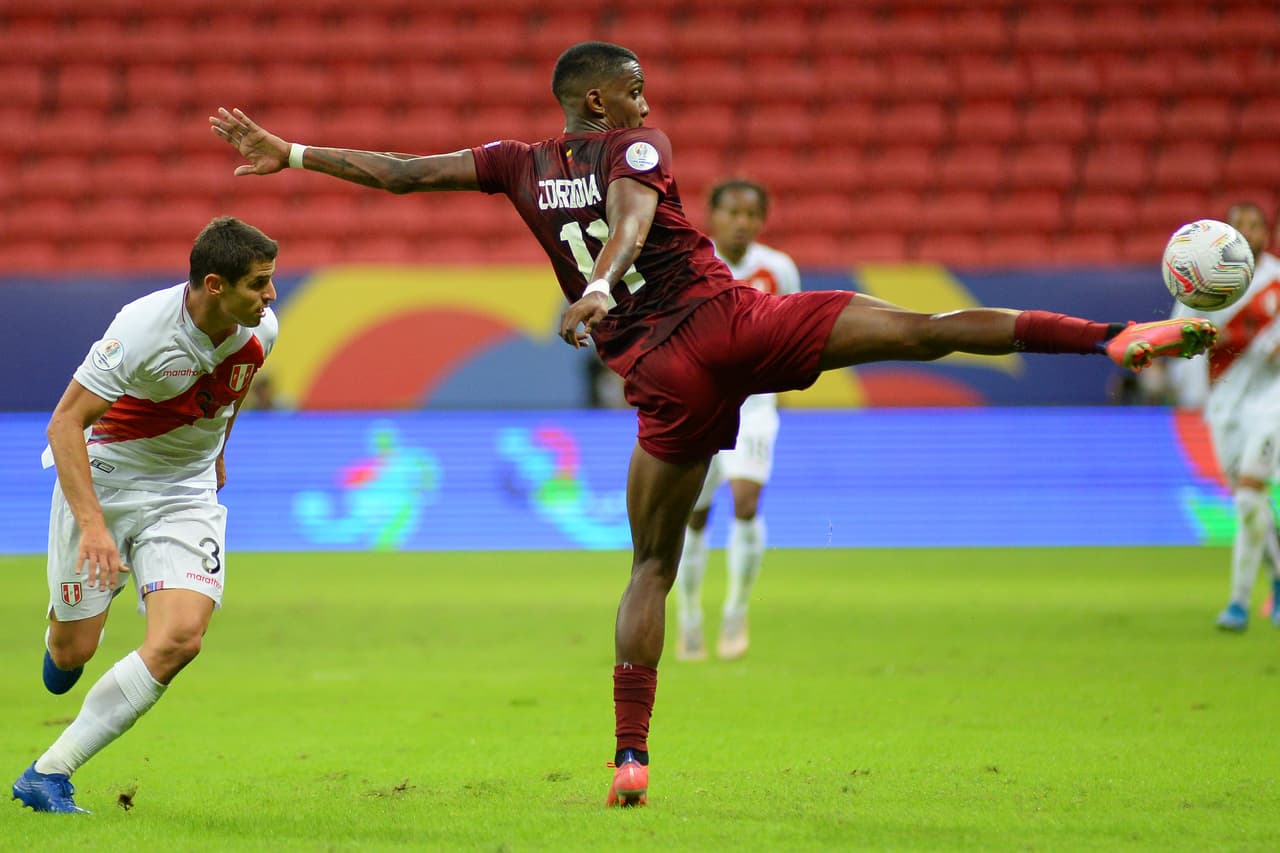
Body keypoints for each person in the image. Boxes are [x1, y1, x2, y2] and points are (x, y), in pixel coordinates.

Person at [210, 41, 1217, 807]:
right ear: (597, 98)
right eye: (634, 85)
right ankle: (1109, 338)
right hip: (730, 325)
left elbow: (397, 171)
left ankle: (630, 753)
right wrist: (604, 277)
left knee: (648, 563)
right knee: (924, 329)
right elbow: (633, 210)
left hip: (657, 375)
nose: (646, 97)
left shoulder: (513, 162)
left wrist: (291, 152)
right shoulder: (634, 142)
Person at [11, 217, 279, 813]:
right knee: (72, 653)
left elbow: (230, 392)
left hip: (185, 493)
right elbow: (64, 424)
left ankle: (48, 772)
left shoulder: (261, 330)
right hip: (108, 482)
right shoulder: (141, 328)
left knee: (181, 638)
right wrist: (95, 528)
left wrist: (218, 452)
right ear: (215, 285)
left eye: (271, 281)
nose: (270, 296)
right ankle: (67, 637)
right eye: (258, 283)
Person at [674, 178, 799, 662]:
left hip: (755, 404)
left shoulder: (778, 268)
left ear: (762, 220)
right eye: (733, 213)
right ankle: (688, 616)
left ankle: (736, 611)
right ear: (714, 215)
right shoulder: (692, 263)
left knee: (745, 501)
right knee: (695, 517)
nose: (742, 223)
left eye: (752, 214)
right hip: (698, 402)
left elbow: (790, 331)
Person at [1169, 202, 1280, 631]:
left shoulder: (1276, 279)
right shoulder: (1207, 277)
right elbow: (1179, 334)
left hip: (1272, 401)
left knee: (1252, 492)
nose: (1251, 232)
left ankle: (1237, 602)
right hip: (1226, 404)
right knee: (1247, 501)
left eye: (1257, 225)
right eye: (1242, 226)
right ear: (1227, 233)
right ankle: (1277, 577)